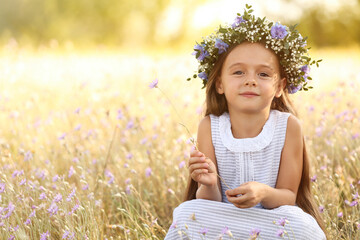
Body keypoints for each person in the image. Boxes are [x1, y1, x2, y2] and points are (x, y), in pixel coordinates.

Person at [165, 5, 327, 240]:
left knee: (301, 224)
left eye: (263, 74)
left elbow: (289, 197)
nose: (250, 80)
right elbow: (209, 201)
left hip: (271, 221)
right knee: (188, 212)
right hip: (221, 220)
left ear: (280, 86)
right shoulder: (209, 126)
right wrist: (208, 184)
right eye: (238, 72)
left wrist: (262, 193)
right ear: (219, 83)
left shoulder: (289, 126)